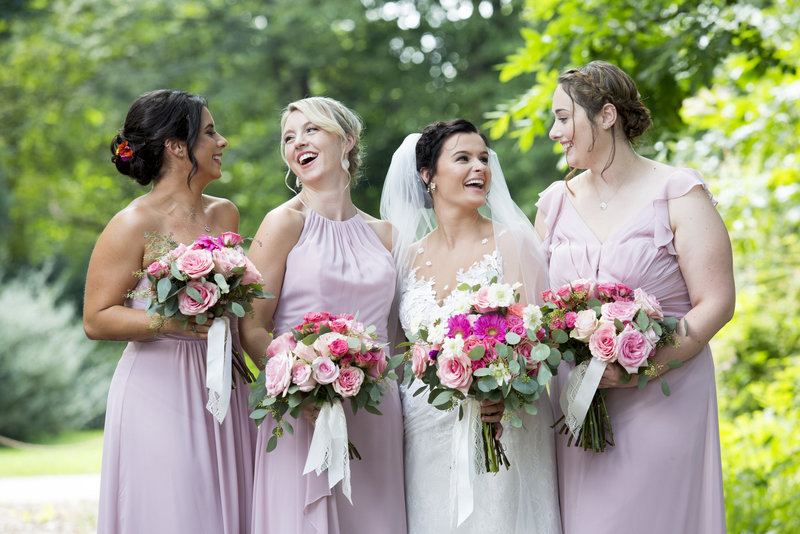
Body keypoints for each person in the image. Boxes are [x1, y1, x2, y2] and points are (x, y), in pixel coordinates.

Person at [536, 61, 734, 534]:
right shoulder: (553, 203)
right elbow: (538, 308)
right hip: (579, 404)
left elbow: (717, 302)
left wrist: (646, 365)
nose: (553, 132)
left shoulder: (678, 193)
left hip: (664, 398)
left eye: (564, 118)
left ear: (605, 116)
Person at [83, 90, 257, 533]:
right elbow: (97, 318)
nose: (223, 142)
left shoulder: (225, 215)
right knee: (177, 511)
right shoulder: (132, 223)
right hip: (159, 390)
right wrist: (170, 321)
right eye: (211, 133)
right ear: (177, 147)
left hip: (225, 381)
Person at [380, 119, 562, 533]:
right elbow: (399, 354)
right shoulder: (405, 259)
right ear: (428, 177)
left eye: (483, 158)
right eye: (462, 158)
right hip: (426, 431)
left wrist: (505, 390)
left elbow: (537, 343)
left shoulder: (512, 242)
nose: (479, 167)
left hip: (502, 426)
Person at [240, 96, 406, 534]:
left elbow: (395, 332)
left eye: (311, 130)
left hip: (377, 410)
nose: (298, 143)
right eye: (288, 137)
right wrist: (300, 383)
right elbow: (252, 326)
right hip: (302, 410)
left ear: (347, 141)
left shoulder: (385, 235)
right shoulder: (282, 223)